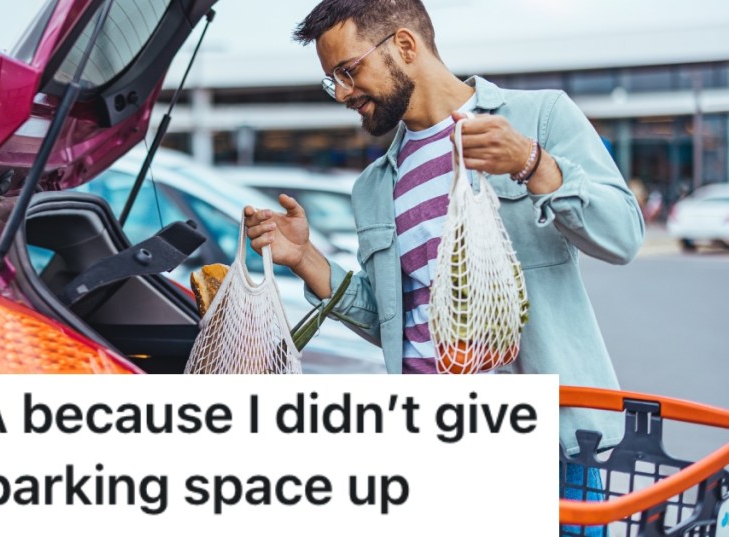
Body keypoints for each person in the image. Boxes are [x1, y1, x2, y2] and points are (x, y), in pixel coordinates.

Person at [243, 0, 644, 472]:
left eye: (348, 71)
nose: (342, 93)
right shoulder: (374, 186)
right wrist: (305, 257)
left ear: (405, 46)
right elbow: (394, 324)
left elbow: (622, 236)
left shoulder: (538, 118)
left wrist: (531, 163)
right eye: (333, 80)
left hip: (545, 445)